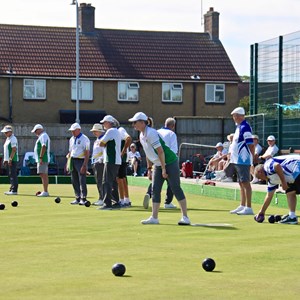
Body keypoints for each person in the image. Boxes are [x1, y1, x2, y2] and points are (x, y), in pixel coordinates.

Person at [129, 112, 191, 225]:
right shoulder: (141, 135)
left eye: (135, 122)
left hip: (170, 162)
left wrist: (163, 169)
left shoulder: (151, 133)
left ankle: (185, 217)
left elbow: (161, 151)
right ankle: (154, 217)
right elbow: (148, 153)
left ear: (142, 122)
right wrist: (149, 168)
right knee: (155, 190)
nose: (133, 125)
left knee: (175, 188)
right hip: (158, 164)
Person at [254, 155, 300, 224]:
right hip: (294, 172)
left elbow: (277, 166)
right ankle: (292, 216)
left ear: (259, 172)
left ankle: (292, 216)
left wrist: (283, 182)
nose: (260, 180)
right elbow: (269, 196)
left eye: (259, 177)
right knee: (290, 191)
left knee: (289, 188)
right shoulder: (271, 180)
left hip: (296, 166)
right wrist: (262, 211)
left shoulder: (267, 165)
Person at [229, 107, 255, 215]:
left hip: (243, 159)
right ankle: (242, 205)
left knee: (245, 182)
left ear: (240, 116)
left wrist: (252, 159)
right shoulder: (239, 127)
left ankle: (248, 207)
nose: (233, 118)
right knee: (241, 182)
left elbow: (250, 144)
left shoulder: (245, 127)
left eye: (235, 116)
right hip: (238, 160)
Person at [98, 115, 122, 210]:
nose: (103, 124)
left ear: (109, 123)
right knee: (112, 182)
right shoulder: (116, 131)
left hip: (111, 160)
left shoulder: (111, 131)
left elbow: (101, 143)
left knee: (106, 182)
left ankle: (107, 203)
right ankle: (116, 202)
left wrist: (104, 143)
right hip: (115, 160)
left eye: (104, 122)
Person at [67, 123, 90, 205]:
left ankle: (83, 198)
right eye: (72, 131)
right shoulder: (71, 139)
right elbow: (70, 152)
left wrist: (84, 165)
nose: (72, 132)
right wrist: (67, 163)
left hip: (81, 160)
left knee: (82, 180)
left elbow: (87, 152)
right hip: (72, 160)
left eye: (74, 130)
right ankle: (77, 197)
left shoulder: (85, 139)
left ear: (79, 130)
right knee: (74, 179)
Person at [115, 118, 132, 207]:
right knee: (122, 178)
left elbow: (128, 138)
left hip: (122, 159)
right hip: (121, 159)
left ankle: (122, 200)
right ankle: (126, 199)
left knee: (120, 178)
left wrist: (123, 151)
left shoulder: (120, 130)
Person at [31, 124, 51, 197]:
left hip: (43, 158)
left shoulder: (43, 136)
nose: (35, 133)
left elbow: (44, 146)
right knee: (42, 174)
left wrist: (41, 157)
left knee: (43, 174)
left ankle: (45, 191)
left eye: (36, 131)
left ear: (39, 129)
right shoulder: (42, 136)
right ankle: (45, 191)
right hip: (41, 158)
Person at [90, 123, 106, 206]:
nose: (94, 133)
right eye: (93, 131)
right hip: (95, 162)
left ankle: (102, 198)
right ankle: (101, 197)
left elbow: (104, 151)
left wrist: (100, 160)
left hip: (100, 163)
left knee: (100, 180)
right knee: (98, 181)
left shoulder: (103, 139)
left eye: (95, 131)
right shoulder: (97, 140)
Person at [1, 125, 19, 195]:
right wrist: (5, 159)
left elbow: (14, 149)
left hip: (13, 160)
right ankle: (12, 189)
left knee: (13, 174)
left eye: (6, 132)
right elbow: (6, 150)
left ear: (10, 132)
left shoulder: (13, 138)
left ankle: (14, 190)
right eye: (4, 132)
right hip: (9, 160)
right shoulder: (8, 138)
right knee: (10, 174)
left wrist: (10, 159)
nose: (5, 134)